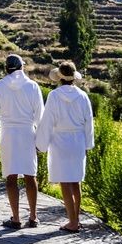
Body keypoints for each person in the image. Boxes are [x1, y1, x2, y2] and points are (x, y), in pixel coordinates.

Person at [0, 54, 45, 229]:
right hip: (27, 133)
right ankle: (33, 216)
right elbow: (40, 116)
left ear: (6, 69)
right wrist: (41, 141)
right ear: (21, 67)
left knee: (11, 176)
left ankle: (16, 218)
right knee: (30, 175)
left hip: (8, 134)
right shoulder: (33, 86)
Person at [36, 61, 94, 233]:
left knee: (65, 182)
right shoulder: (83, 96)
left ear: (59, 78)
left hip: (60, 140)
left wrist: (41, 145)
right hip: (78, 141)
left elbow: (47, 122)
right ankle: (76, 219)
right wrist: (88, 144)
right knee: (76, 182)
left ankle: (72, 222)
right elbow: (89, 122)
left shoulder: (54, 96)